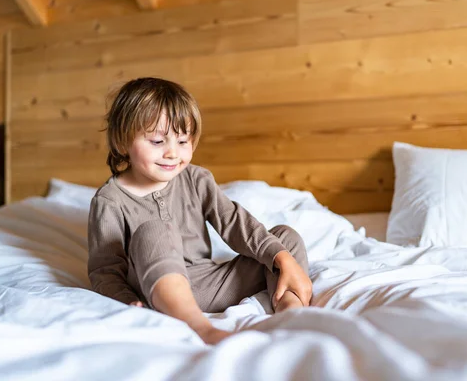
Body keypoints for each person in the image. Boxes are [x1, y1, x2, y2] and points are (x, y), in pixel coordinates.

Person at [87, 77, 312, 345]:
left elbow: (233, 222)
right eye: (158, 141)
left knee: (283, 239)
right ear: (123, 143)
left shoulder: (197, 179)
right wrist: (127, 301)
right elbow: (105, 270)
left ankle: (289, 311)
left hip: (211, 284)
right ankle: (200, 328)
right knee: (154, 230)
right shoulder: (109, 201)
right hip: (157, 292)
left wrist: (283, 259)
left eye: (183, 141)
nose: (173, 153)